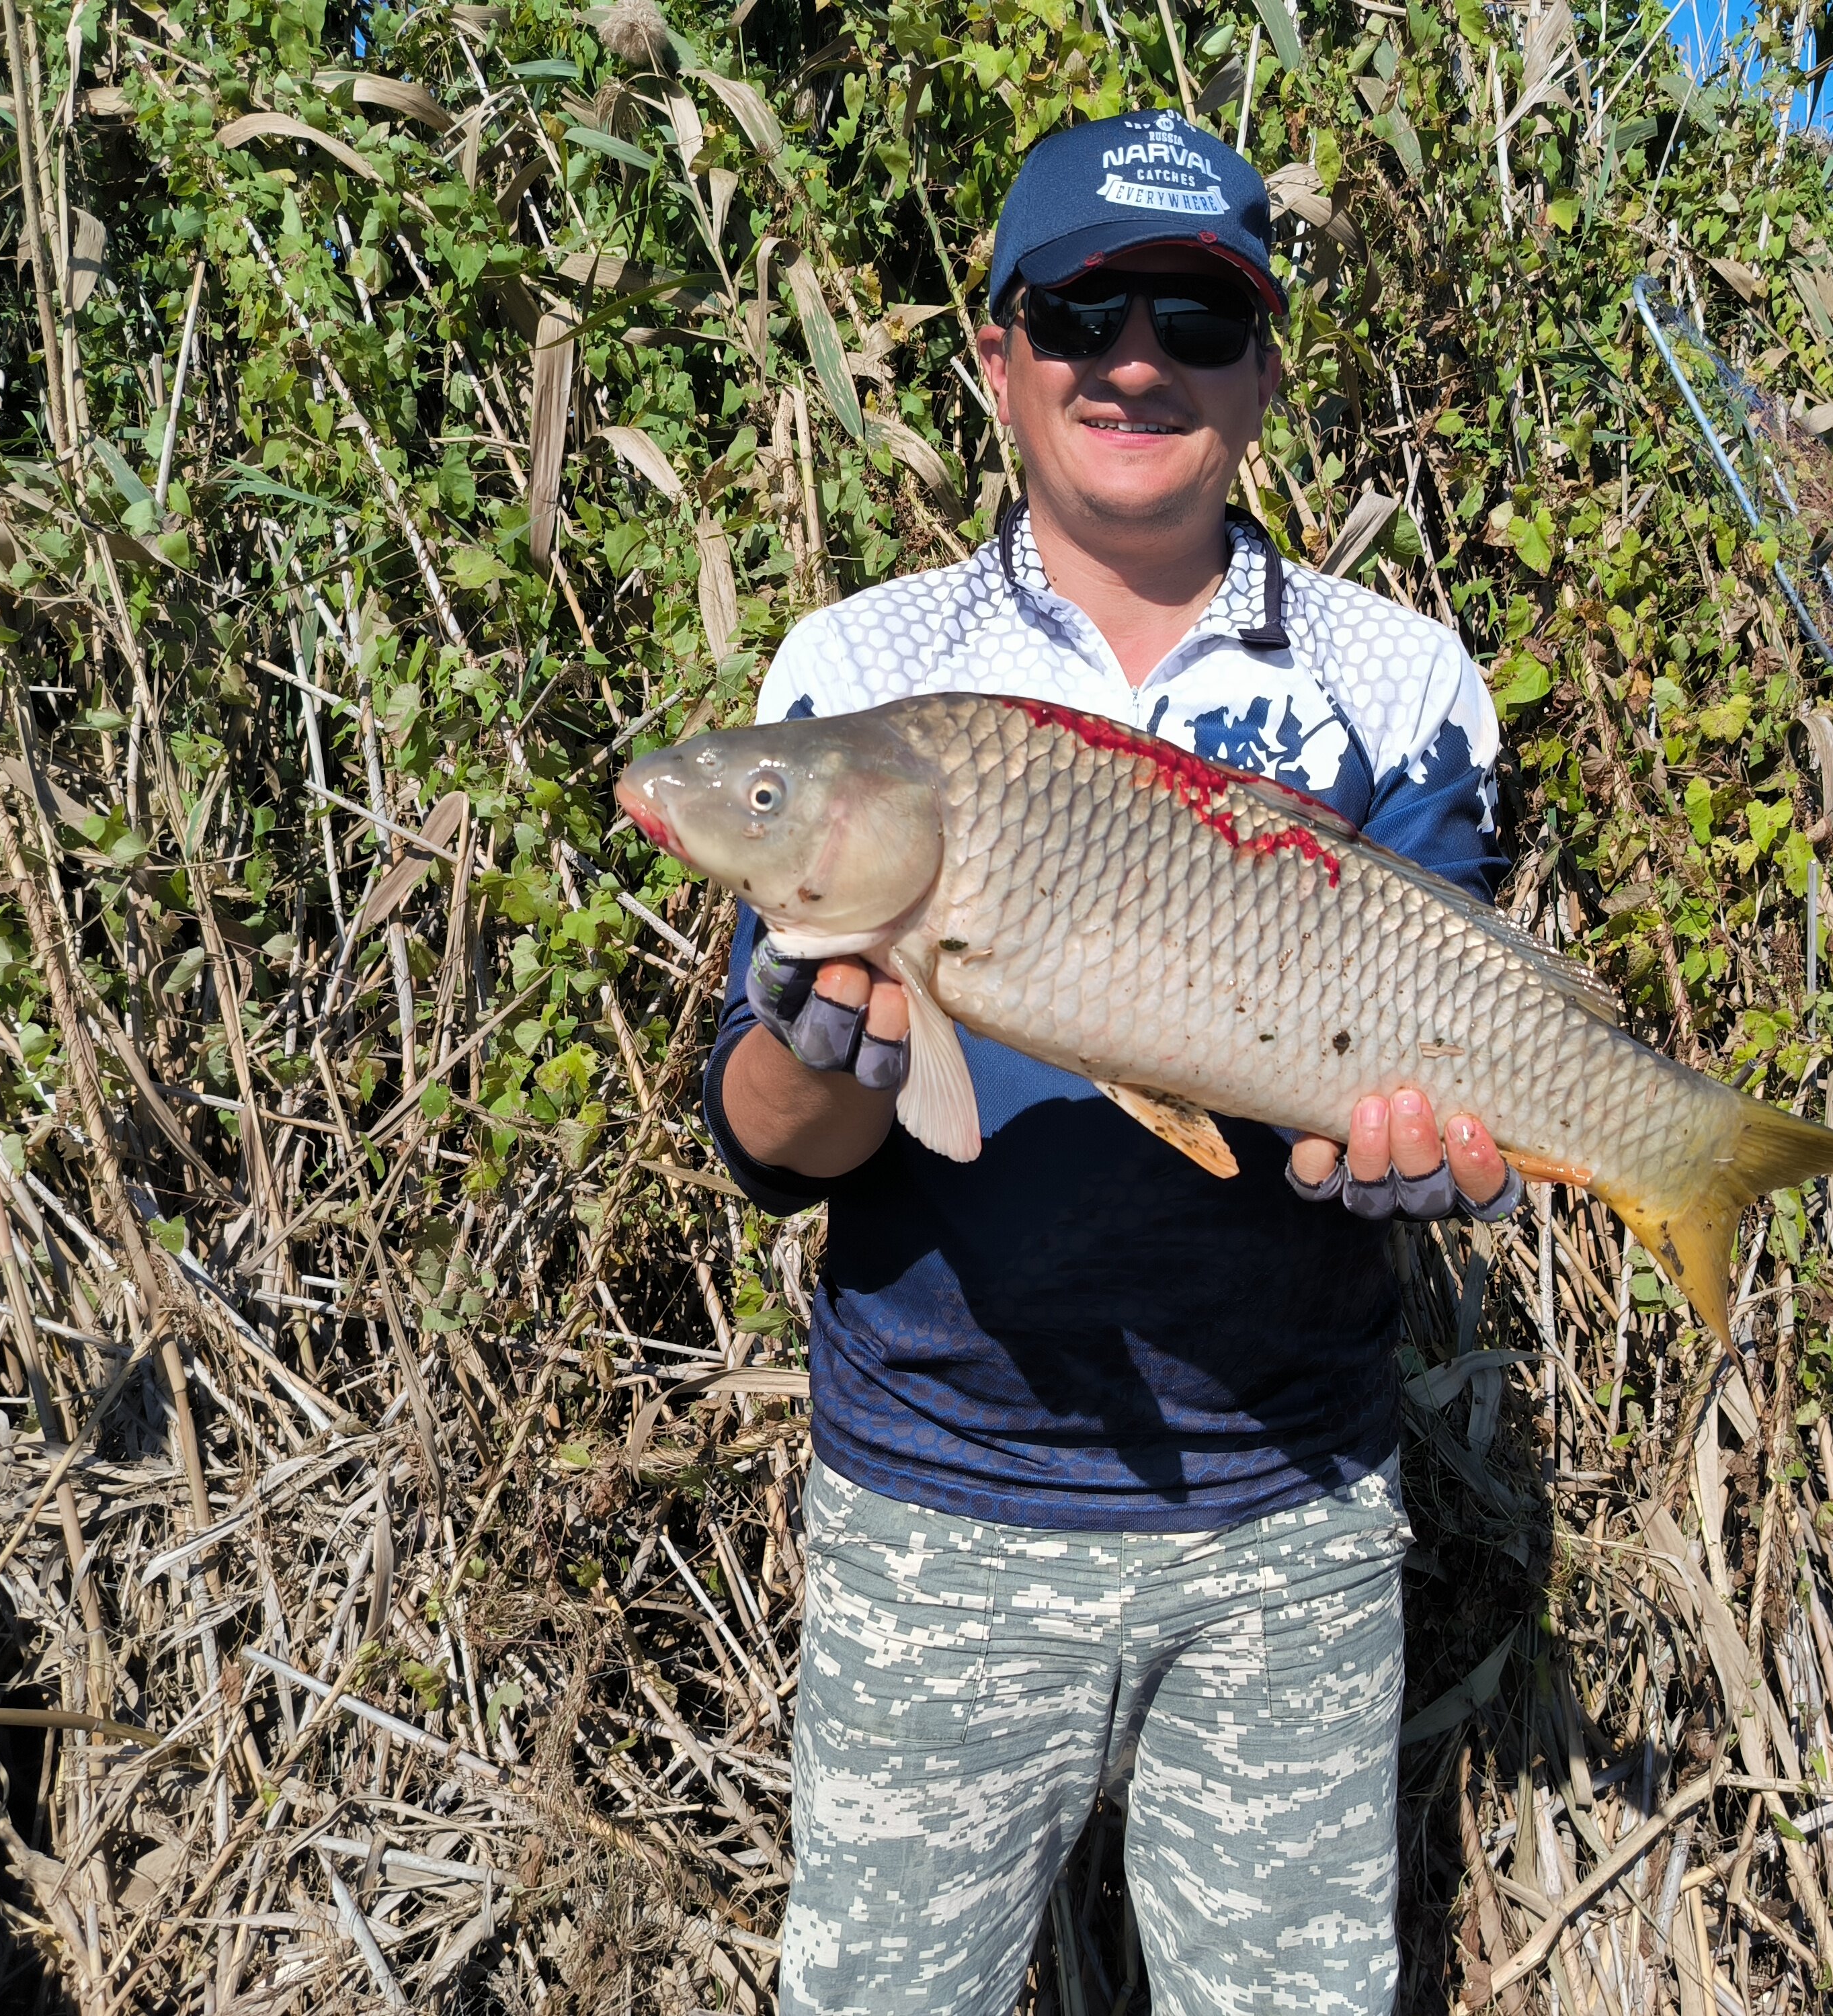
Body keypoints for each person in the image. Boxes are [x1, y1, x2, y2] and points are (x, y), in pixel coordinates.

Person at [700, 108, 1518, 2015]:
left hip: (1290, 1517)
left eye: (1195, 317)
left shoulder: (1394, 677)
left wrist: (1409, 1152)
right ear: (999, 353)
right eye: (1080, 312)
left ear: (1263, 374)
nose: (1133, 361)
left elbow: (1440, 1065)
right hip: (937, 1507)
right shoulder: (865, 676)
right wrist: (825, 1039)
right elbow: (768, 1143)